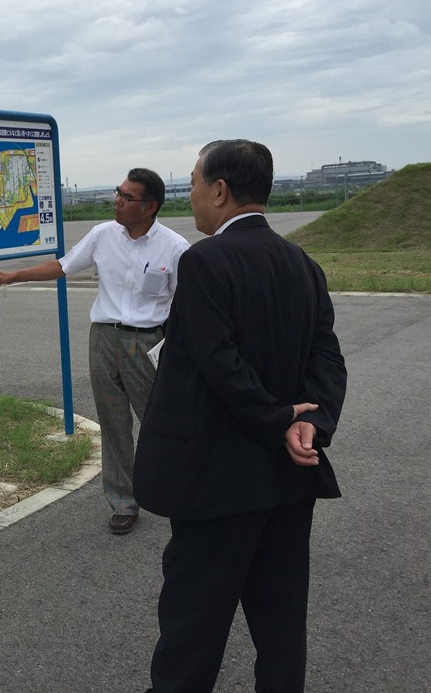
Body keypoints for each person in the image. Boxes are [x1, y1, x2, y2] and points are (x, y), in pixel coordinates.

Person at [134, 140, 347, 693]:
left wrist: (277, 419)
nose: (191, 195)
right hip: (288, 479)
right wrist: (311, 423)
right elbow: (327, 356)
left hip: (216, 480)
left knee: (192, 628)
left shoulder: (204, 262)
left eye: (194, 183)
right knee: (281, 624)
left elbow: (220, 365)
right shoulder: (302, 263)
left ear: (221, 191)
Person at [0, 167, 189, 534]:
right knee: (112, 423)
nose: (117, 201)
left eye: (127, 197)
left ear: (150, 207)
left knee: (158, 422)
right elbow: (62, 266)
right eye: (118, 193)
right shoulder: (102, 235)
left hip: (147, 343)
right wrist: (13, 277)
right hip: (103, 340)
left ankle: (180, 493)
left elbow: (187, 303)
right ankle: (124, 503)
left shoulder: (174, 248)